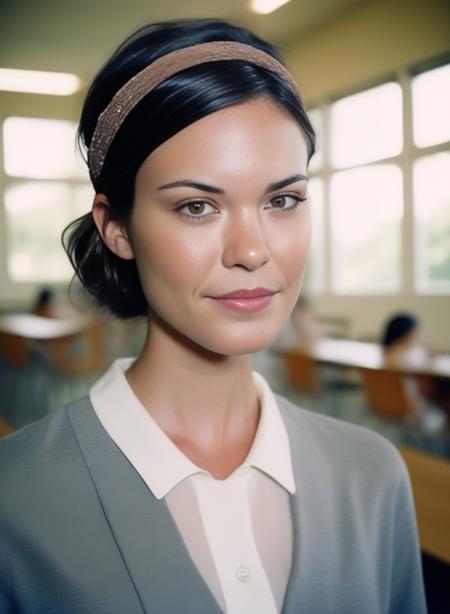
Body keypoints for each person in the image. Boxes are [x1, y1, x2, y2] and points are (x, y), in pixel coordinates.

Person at [0, 19, 426, 614]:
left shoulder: (373, 476)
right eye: (197, 206)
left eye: (283, 200)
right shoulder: (13, 498)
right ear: (116, 228)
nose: (252, 251)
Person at [381, 313, 447, 432]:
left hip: (386, 405)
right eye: (416, 332)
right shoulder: (410, 355)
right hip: (411, 410)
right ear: (408, 334)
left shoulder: (388, 353)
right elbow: (425, 387)